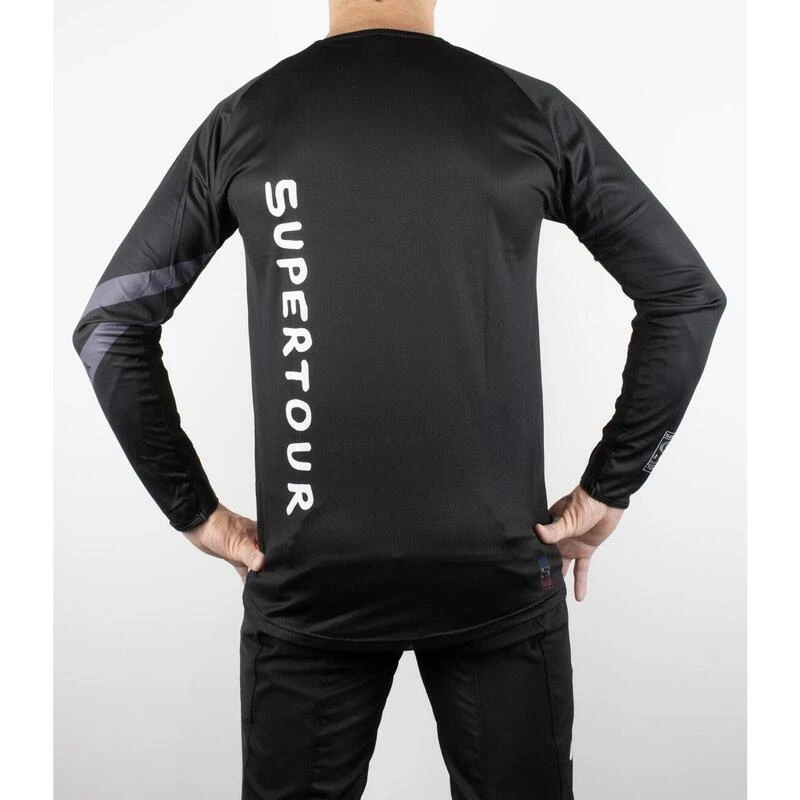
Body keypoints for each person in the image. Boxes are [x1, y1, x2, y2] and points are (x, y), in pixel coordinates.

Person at [71, 0, 727, 797]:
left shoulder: (249, 121)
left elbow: (110, 328)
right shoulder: (524, 110)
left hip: (311, 581)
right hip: (495, 574)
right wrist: (612, 485)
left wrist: (195, 514)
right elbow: (686, 296)